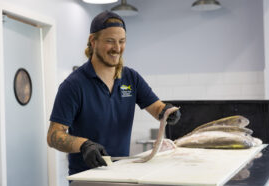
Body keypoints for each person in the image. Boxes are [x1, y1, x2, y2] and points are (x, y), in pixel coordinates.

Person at [47, 10, 181, 176]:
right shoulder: (73, 85)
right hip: (86, 178)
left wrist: (167, 111)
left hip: (121, 173)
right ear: (93, 41)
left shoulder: (131, 78)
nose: (117, 48)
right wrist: (84, 145)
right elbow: (53, 135)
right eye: (110, 41)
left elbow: (156, 107)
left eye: (122, 41)